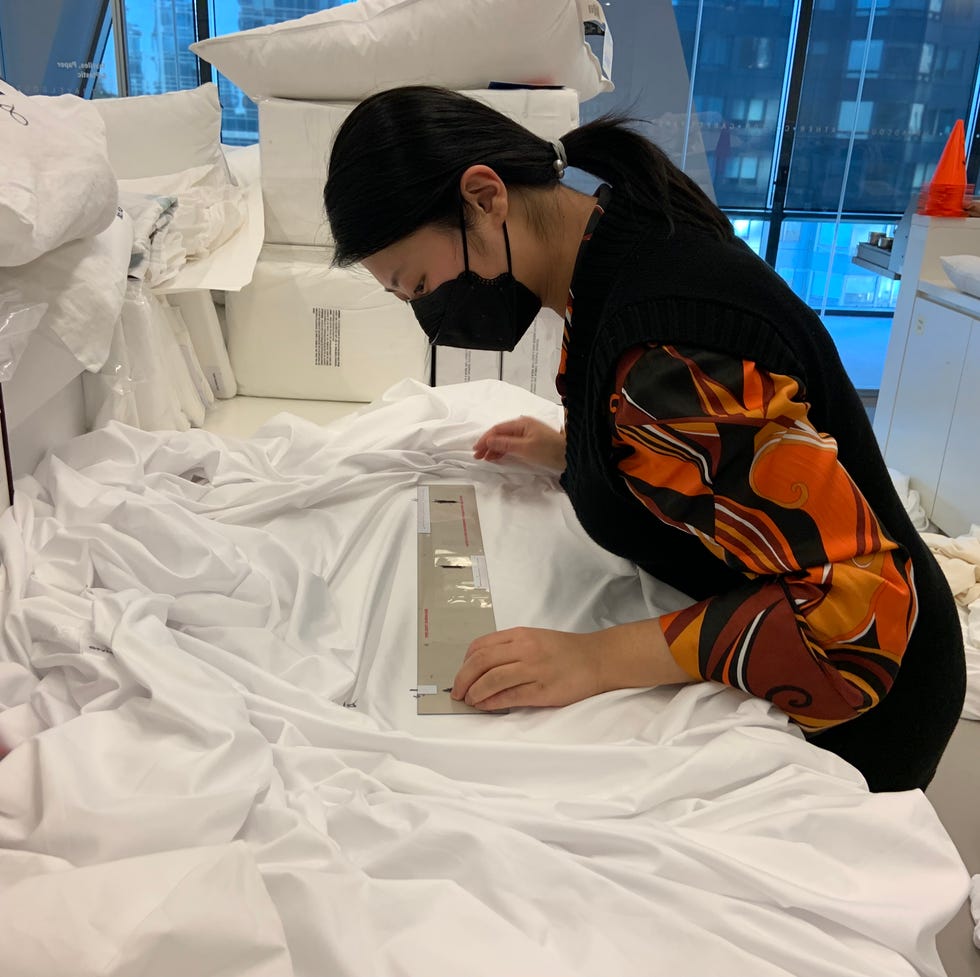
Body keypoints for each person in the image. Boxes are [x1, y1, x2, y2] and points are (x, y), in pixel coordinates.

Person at [324, 85, 964, 792]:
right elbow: (710, 456)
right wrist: (581, 450)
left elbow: (850, 617)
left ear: (484, 198)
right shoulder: (608, 227)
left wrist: (592, 660)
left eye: (421, 284)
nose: (436, 309)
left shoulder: (663, 357)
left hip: (867, 700)